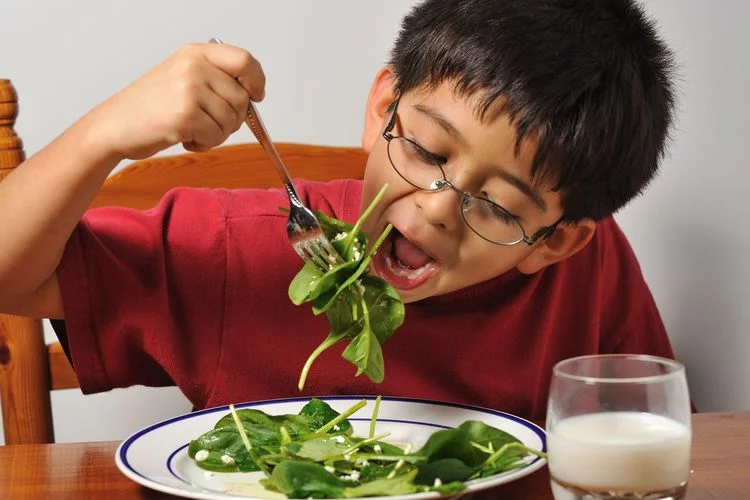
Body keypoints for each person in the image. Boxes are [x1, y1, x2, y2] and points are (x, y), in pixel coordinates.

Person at [0, 0, 677, 423]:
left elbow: (646, 434)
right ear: (383, 109)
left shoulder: (589, 271)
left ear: (554, 244)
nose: (438, 209)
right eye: (429, 148)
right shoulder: (245, 248)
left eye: (498, 207)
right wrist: (102, 137)